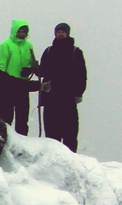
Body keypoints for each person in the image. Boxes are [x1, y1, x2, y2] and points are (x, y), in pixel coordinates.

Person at [37, 22, 87, 151]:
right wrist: (35, 69)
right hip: (51, 98)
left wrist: (78, 93)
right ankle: (53, 159)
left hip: (68, 98)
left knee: (70, 133)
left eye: (63, 31)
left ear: (68, 33)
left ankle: (70, 161)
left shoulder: (75, 52)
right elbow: (43, 72)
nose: (60, 33)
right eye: (58, 31)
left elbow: (82, 74)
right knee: (52, 134)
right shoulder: (49, 51)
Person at [0, 19, 40, 134]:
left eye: (24, 32)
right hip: (7, 87)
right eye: (19, 31)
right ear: (14, 31)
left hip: (23, 87)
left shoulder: (29, 46)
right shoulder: (6, 45)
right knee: (6, 117)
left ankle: (22, 143)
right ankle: (5, 140)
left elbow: (32, 64)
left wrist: (31, 69)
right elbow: (1, 66)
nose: (21, 34)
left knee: (22, 118)